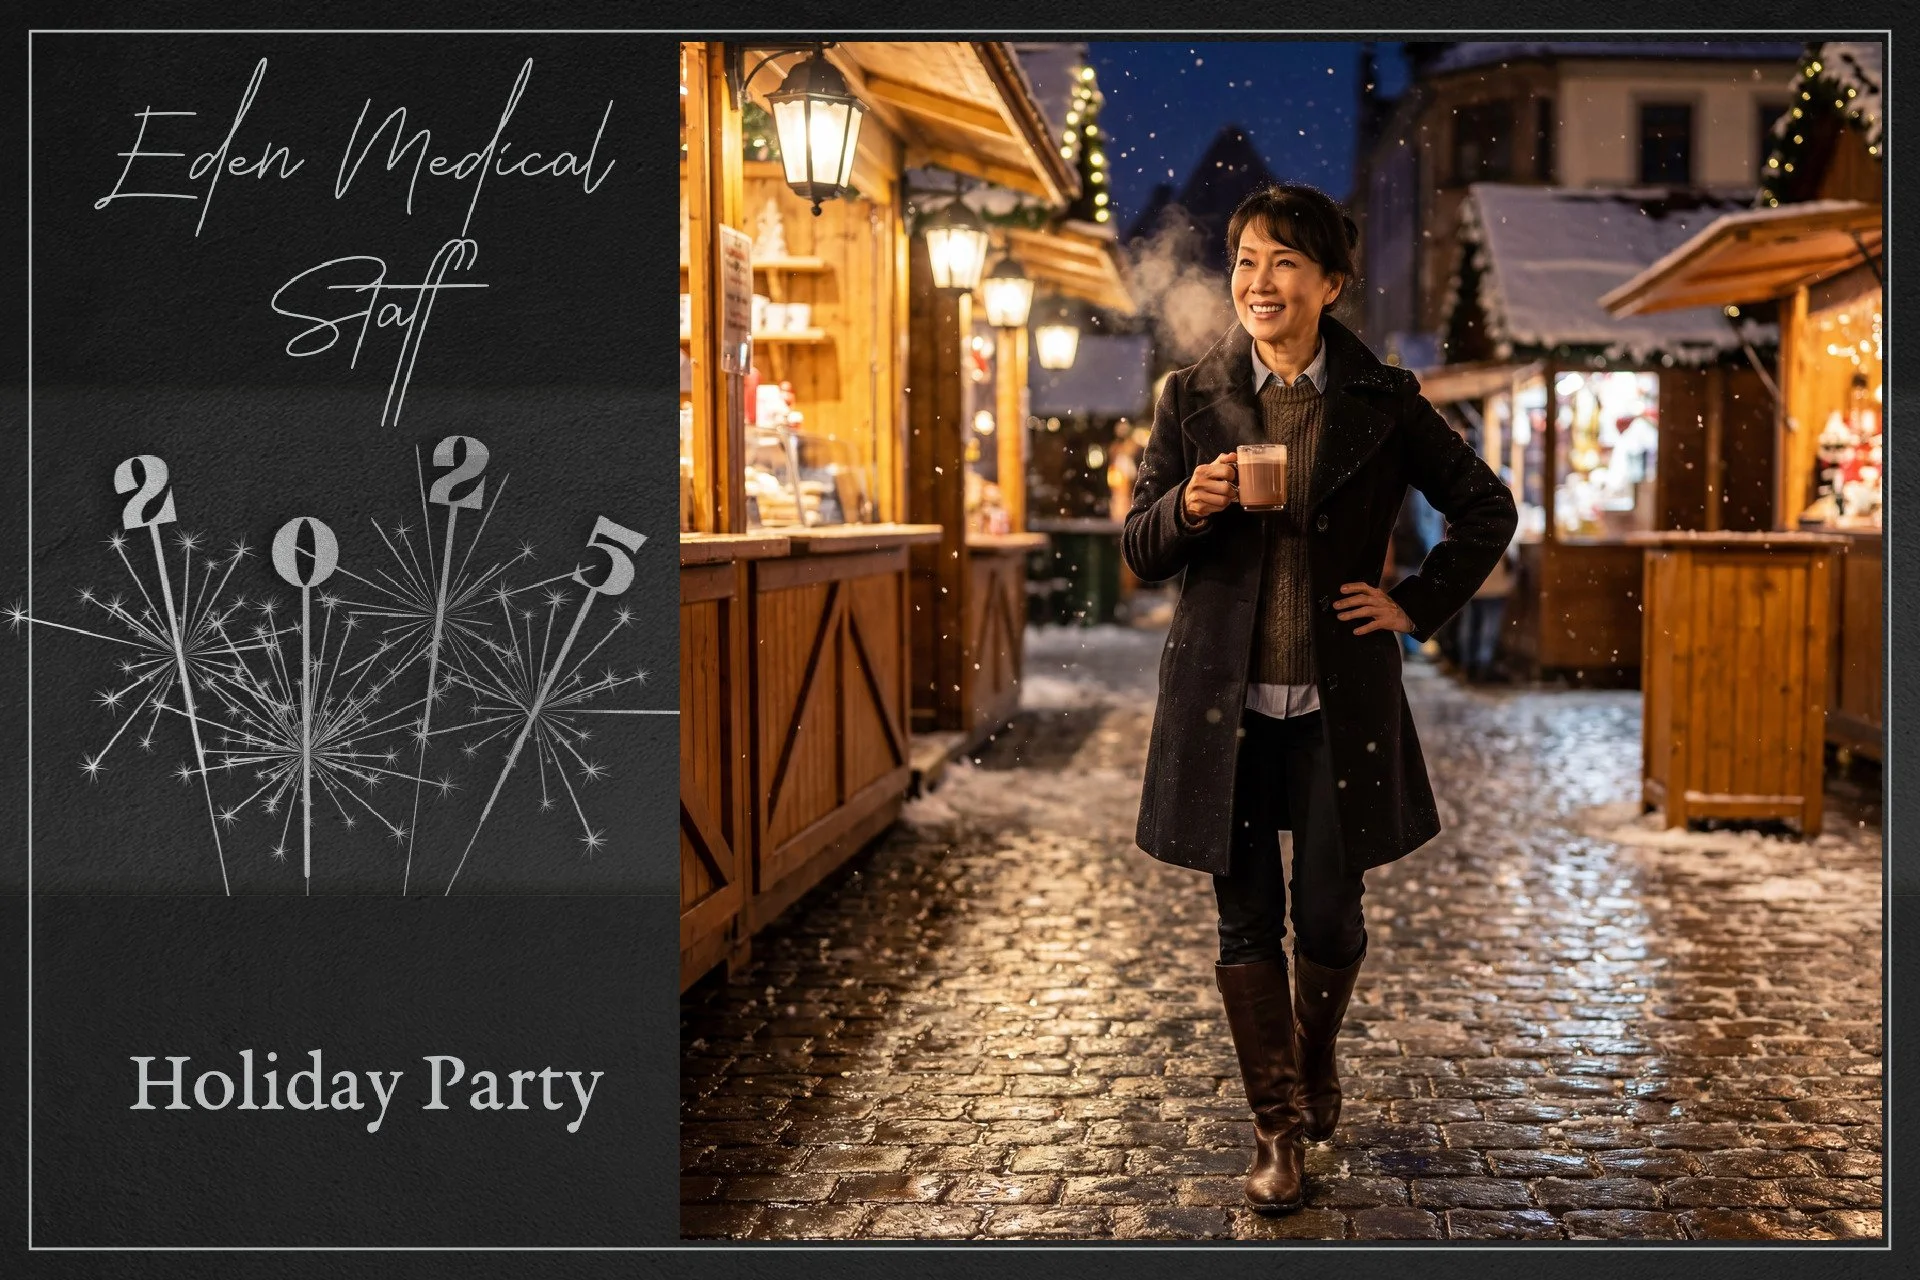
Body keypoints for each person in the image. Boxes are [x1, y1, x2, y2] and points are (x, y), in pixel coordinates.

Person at [1121, 183, 1518, 1215]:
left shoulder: (1383, 400)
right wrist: (1187, 503)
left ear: (1330, 283)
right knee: (1245, 917)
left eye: (1284, 262)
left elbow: (1486, 505)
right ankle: (1278, 1127)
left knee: (1332, 918)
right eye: (1246, 259)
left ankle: (1315, 1053)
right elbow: (1137, 548)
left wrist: (1414, 603)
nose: (1259, 280)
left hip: (1340, 699)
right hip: (1227, 703)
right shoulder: (1191, 396)